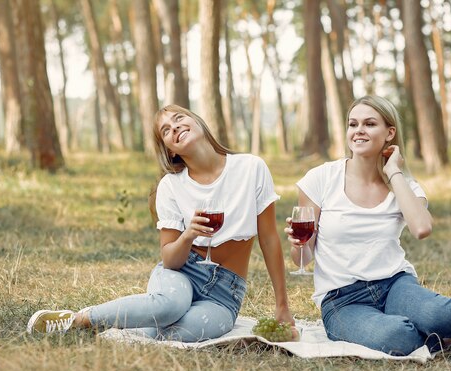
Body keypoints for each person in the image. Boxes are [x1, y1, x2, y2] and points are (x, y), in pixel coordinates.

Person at [284, 95, 451, 355]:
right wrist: (298, 244)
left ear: (390, 132)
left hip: (395, 285)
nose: (358, 131)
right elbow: (303, 258)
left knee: (438, 314)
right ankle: (450, 324)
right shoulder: (320, 178)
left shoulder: (404, 185)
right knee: (398, 337)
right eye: (353, 124)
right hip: (342, 300)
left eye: (369, 124)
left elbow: (422, 229)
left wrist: (393, 172)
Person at [27, 104, 294, 341]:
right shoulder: (171, 187)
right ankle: (80, 319)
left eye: (179, 118)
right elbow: (169, 259)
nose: (175, 127)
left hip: (225, 293)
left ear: (198, 122)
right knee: (169, 307)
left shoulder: (251, 168)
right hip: (182, 273)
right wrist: (188, 235)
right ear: (170, 150)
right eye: (166, 130)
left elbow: (269, 239)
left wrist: (282, 304)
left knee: (186, 330)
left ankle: (127, 324)